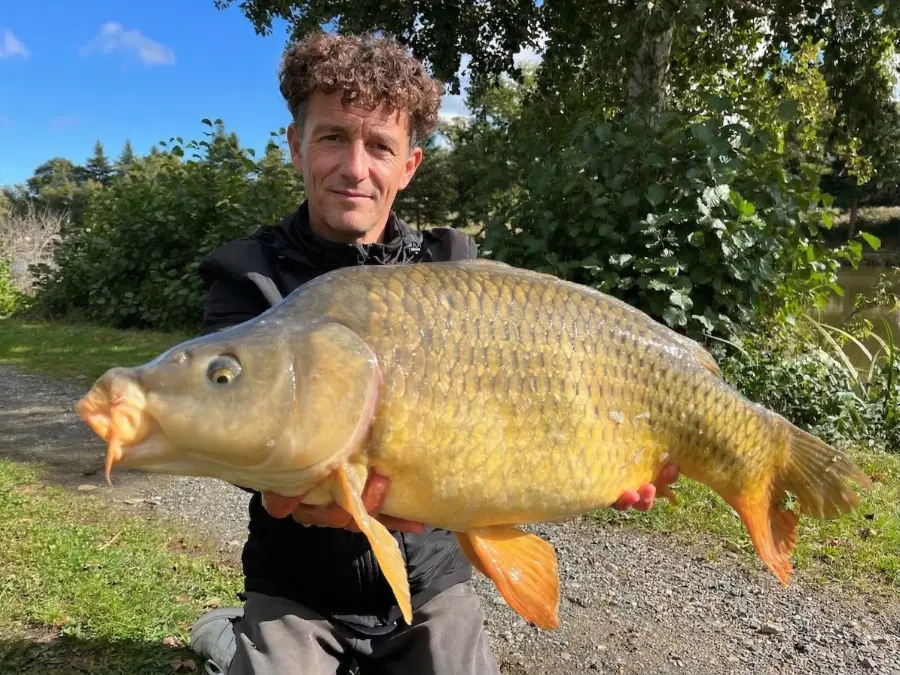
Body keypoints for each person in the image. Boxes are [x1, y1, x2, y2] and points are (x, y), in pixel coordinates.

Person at [187, 31, 680, 675]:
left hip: (430, 577)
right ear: (296, 145)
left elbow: (515, 417)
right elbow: (228, 422)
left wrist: (594, 460)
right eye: (333, 136)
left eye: (380, 146)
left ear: (409, 165)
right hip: (296, 585)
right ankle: (230, 638)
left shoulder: (453, 268)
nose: (354, 168)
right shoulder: (247, 274)